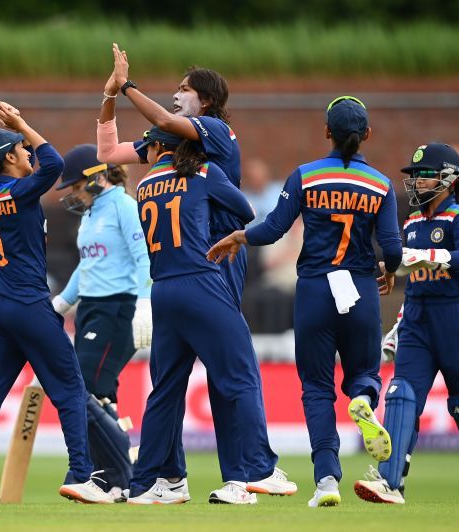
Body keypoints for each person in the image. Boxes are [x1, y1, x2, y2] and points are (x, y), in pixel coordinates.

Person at [98, 44, 292, 501]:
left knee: (185, 381)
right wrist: (111, 95)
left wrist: (125, 86)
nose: (176, 95)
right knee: (231, 373)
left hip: (203, 264)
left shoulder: (216, 131)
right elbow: (109, 149)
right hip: (203, 264)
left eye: (184, 90)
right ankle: (236, 473)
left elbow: (162, 126)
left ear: (205, 100)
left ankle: (177, 478)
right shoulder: (185, 160)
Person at [208, 96, 402, 507]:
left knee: (317, 389)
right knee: (364, 374)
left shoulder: (305, 176)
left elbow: (274, 229)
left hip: (314, 290)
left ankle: (327, 481)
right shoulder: (382, 185)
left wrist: (240, 236)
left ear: (326, 132)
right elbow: (393, 249)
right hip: (360, 290)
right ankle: (364, 399)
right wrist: (389, 271)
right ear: (366, 135)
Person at [0, 96, 113, 505]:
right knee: (70, 390)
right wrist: (19, 121)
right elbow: (52, 162)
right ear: (7, 160)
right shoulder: (20, 191)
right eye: (21, 149)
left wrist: (14, 135)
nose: (28, 152)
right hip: (28, 305)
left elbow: (37, 164)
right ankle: (81, 475)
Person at [127, 126, 293, 505]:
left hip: (163, 290)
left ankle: (149, 484)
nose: (144, 153)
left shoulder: (144, 185)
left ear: (159, 148)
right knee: (242, 375)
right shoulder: (203, 173)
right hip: (201, 281)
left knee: (165, 390)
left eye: (146, 147)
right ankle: (260, 469)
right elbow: (245, 210)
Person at [354, 143, 459, 504]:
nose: (416, 183)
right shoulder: (411, 222)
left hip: (455, 317)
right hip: (417, 317)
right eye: (414, 177)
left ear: (448, 179)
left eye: (424, 177)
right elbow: (411, 267)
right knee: (401, 393)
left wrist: (425, 257)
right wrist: (394, 272)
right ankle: (390, 482)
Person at [51, 144, 152, 497]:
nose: (74, 194)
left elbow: (144, 257)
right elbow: (89, 264)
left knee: (83, 388)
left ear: (96, 178)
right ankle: (109, 478)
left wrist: (144, 303)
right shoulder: (92, 213)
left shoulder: (124, 206)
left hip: (118, 309)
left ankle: (115, 474)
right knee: (102, 396)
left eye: (76, 185)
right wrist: (63, 302)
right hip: (91, 309)